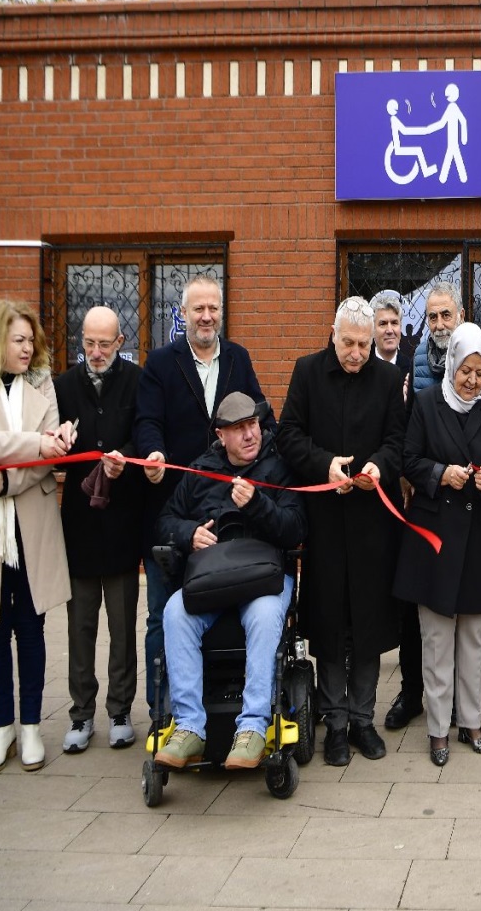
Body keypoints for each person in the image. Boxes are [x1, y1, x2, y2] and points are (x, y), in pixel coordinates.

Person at [134, 274, 270, 726]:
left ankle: (218, 703)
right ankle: (163, 713)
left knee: (216, 615)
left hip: (227, 509)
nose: (207, 316)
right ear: (184, 314)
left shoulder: (238, 357)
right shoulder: (160, 363)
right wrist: (153, 452)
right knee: (163, 615)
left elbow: (260, 412)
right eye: (198, 309)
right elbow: (147, 421)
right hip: (174, 508)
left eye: (213, 308)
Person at [278, 296, 406, 765]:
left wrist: (378, 467)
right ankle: (334, 723)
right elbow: (288, 435)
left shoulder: (388, 379)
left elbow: (398, 441)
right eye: (348, 343)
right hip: (326, 523)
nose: (356, 353)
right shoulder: (308, 372)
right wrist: (324, 464)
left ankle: (362, 719)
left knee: (368, 624)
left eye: (364, 345)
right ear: (333, 335)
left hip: (372, 524)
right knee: (331, 625)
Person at [154, 393, 307, 770]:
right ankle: (189, 727)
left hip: (264, 580)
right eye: (238, 429)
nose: (250, 434)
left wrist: (257, 504)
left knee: (265, 615)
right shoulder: (201, 471)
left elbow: (296, 528)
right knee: (175, 613)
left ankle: (253, 727)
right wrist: (188, 533)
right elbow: (166, 520)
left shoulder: (278, 467)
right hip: (213, 578)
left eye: (252, 424)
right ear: (221, 435)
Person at [0, 299, 71, 773]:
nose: (28, 349)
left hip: (31, 519)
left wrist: (8, 478)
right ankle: (1, 728)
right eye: (18, 340)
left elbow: (51, 456)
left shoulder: (41, 381)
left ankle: (30, 728)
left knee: (31, 624)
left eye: (31, 340)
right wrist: (36, 444)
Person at [393, 323, 481, 766]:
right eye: (466, 371)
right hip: (435, 538)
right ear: (453, 365)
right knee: (437, 640)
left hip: (477, 537)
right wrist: (440, 474)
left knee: (473, 639)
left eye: (480, 372)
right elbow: (408, 459)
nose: (472, 381)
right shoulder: (426, 403)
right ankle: (438, 729)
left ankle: (472, 722)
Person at [54, 306, 144, 753]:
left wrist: (126, 454)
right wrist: (58, 440)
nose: (95, 352)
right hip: (80, 523)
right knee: (81, 624)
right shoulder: (63, 385)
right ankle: (81, 713)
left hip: (123, 520)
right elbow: (51, 446)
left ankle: (120, 711)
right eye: (88, 343)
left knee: (123, 625)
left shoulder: (137, 380)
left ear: (120, 342)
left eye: (104, 344)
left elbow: (146, 434)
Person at [369, 289, 414, 378]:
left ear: (400, 327)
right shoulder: (362, 367)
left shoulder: (412, 369)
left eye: (394, 323)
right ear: (373, 329)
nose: (389, 330)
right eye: (383, 324)